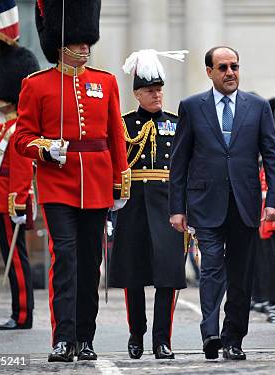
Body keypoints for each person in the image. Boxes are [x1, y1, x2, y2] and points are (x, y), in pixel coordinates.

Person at [14, 0, 130, 362]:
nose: (84, 47)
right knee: (64, 258)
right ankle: (62, 338)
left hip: (96, 184)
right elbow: (23, 138)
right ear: (61, 43)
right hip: (58, 184)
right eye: (78, 42)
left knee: (90, 262)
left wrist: (119, 182)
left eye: (86, 42)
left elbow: (115, 135)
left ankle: (85, 337)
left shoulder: (105, 82)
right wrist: (46, 149)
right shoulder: (36, 86)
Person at [168, 46, 275, 360]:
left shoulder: (258, 107)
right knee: (211, 269)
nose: (230, 72)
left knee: (241, 275)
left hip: (245, 204)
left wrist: (274, 199)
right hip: (206, 203)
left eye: (234, 66)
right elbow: (179, 162)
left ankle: (234, 339)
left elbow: (272, 156)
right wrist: (177, 208)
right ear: (209, 71)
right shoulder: (192, 107)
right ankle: (211, 333)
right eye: (222, 67)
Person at [108, 49, 188, 360]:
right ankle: (136, 334)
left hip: (168, 206)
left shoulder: (176, 123)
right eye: (150, 91)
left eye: (159, 90)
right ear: (137, 93)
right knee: (133, 276)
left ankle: (161, 340)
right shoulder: (123, 124)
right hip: (133, 205)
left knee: (168, 275)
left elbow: (186, 168)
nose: (157, 96)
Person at [0, 41, 39, 331]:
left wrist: (18, 204)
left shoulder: (19, 129)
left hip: (8, 204)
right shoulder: (10, 126)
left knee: (16, 261)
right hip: (0, 202)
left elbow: (22, 169)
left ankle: (23, 314)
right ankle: (18, 312)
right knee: (13, 260)